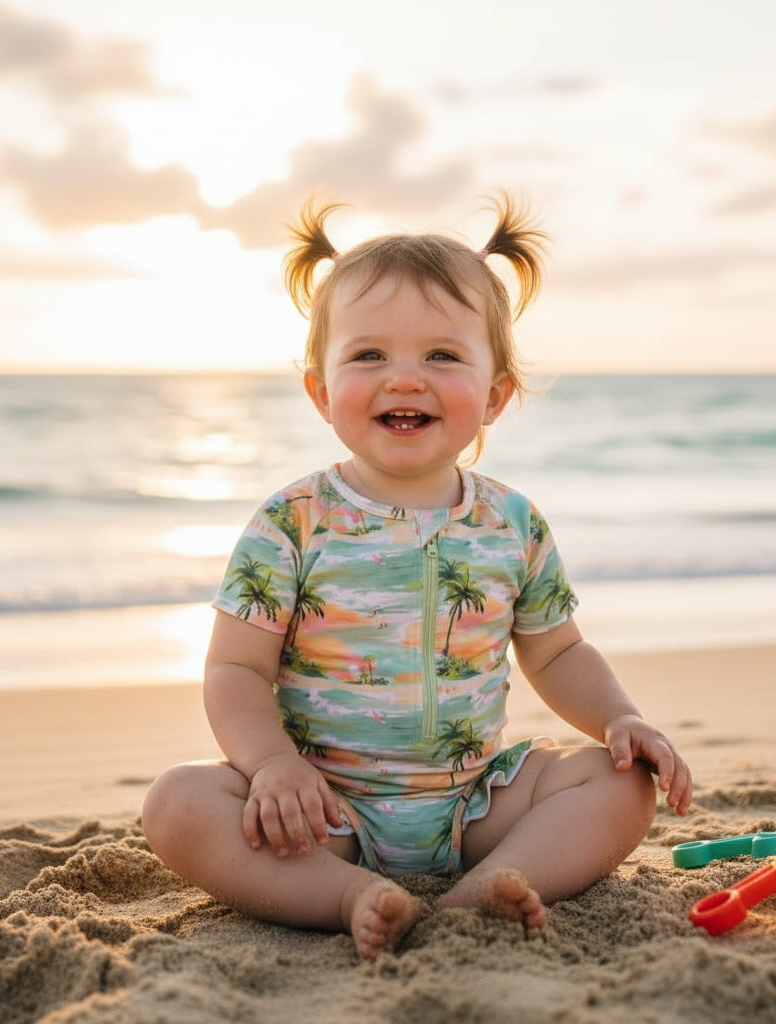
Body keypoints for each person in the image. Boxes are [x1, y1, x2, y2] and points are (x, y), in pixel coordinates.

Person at [142, 192, 693, 961]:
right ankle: (347, 895)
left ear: (495, 394)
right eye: (369, 356)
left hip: (474, 805)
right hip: (322, 809)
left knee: (621, 782)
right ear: (322, 391)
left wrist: (619, 720)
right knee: (178, 802)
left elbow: (559, 653)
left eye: (442, 355)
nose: (405, 378)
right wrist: (271, 767)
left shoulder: (514, 523)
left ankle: (493, 882)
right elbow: (235, 667)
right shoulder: (291, 521)